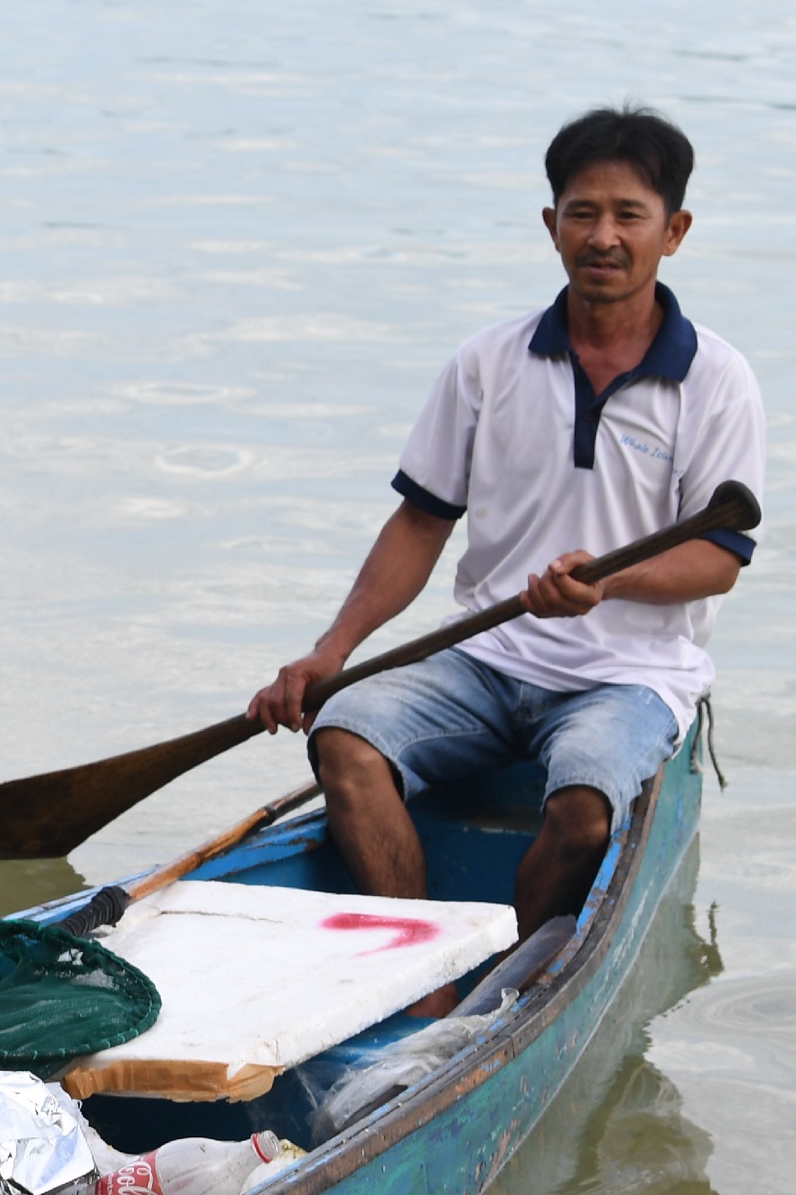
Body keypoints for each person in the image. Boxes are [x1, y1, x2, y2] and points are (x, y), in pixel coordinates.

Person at [248, 107, 764, 987]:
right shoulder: (488, 363)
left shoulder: (716, 380)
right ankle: (428, 982)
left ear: (673, 232)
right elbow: (421, 522)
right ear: (551, 225)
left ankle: (507, 994)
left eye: (628, 216)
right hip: (484, 661)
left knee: (583, 811)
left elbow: (718, 557)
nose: (602, 236)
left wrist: (609, 583)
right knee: (345, 741)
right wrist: (332, 652)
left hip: (630, 678)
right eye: (581, 213)